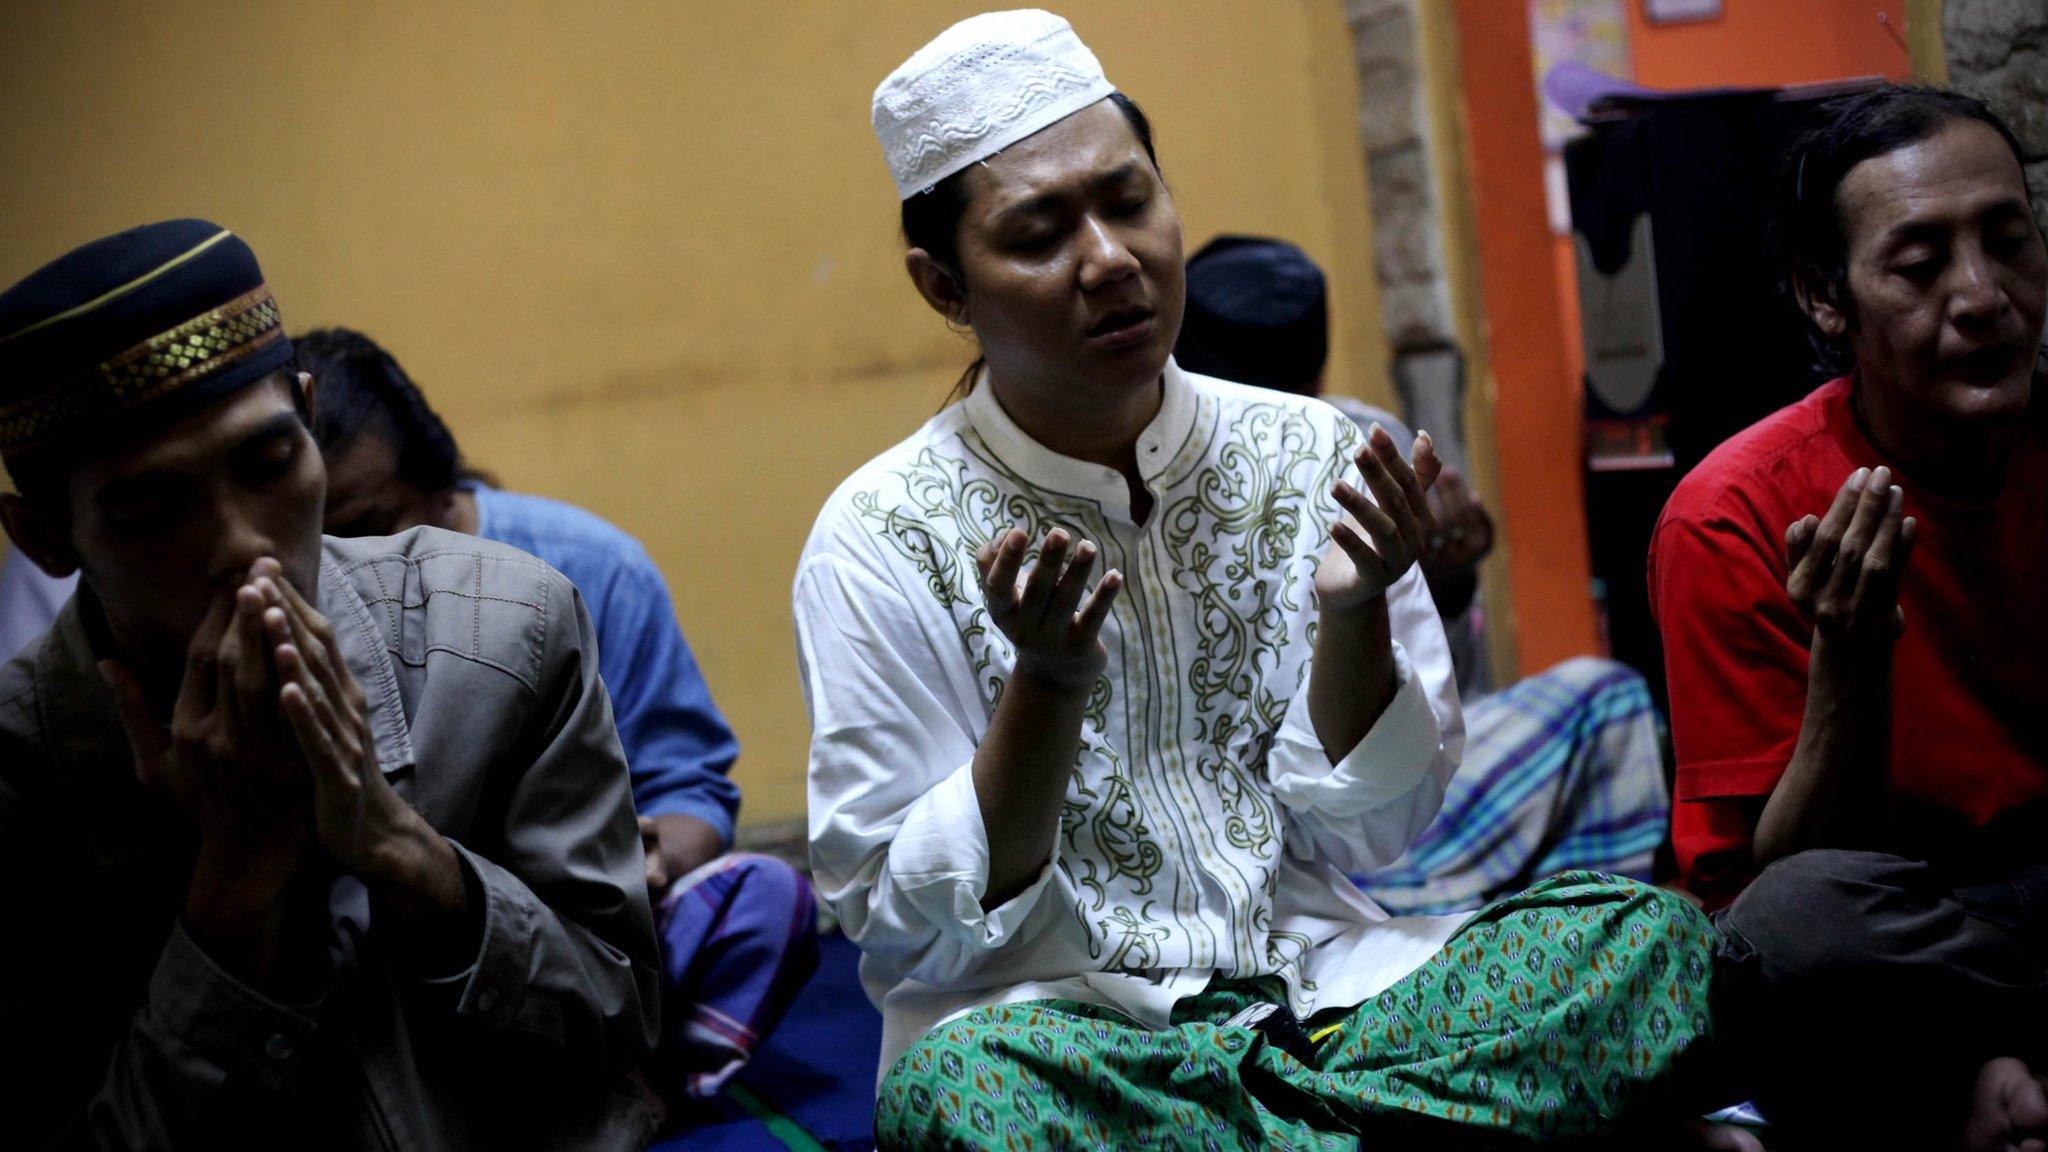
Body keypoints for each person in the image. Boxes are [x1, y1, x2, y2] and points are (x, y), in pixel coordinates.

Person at [800, 12, 1717, 1147]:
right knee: (964, 1098)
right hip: (1079, 1039)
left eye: (1128, 201)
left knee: (1646, 944)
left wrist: (1353, 618)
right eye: (1040, 235)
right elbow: (900, 926)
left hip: (1332, 999)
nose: (1109, 259)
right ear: (945, 286)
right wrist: (1043, 682)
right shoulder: (879, 534)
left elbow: (1374, 840)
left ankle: (1276, 1128)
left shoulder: (1310, 454)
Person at [0, 222, 660, 1148]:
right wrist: (230, 890)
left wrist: (398, 847)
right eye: (152, 510)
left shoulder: (504, 632)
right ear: (43, 537)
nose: (240, 544)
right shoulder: (24, 772)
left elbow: (619, 1020)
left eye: (269, 466)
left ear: (308, 421)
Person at [1649, 86, 2048, 1149]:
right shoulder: (1730, 514)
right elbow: (1770, 900)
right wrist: (1850, 655)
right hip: (1904, 914)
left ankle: (1982, 1078)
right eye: (1918, 268)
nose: (1980, 297)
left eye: (2007, 242)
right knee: (1792, 935)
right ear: (1825, 300)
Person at [294, 326, 817, 1103]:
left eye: (372, 526)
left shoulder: (587, 570)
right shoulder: (285, 604)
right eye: (320, 537)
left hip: (570, 929)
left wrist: (649, 857)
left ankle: (615, 1080)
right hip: (389, 945)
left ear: (442, 490)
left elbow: (692, 792)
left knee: (765, 901)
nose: (347, 563)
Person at [1177, 235, 1670, 916]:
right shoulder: (1163, 471)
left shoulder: (1358, 442)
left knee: (1604, 696)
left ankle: (1575, 920)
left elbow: (1441, 703)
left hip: (1396, 790)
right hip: (1254, 827)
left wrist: (1447, 578)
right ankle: (1442, 916)